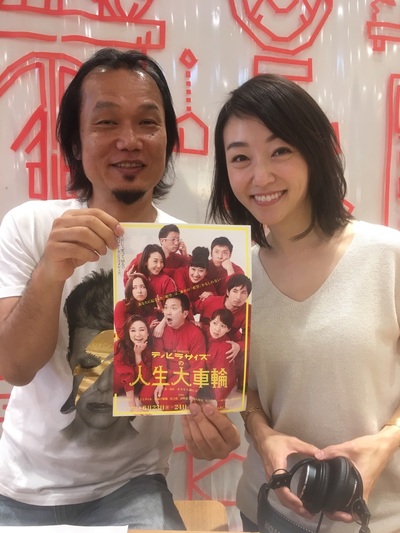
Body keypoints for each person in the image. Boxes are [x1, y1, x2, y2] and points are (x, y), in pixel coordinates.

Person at [0, 47, 240, 528]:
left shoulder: (188, 254)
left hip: (134, 487)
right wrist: (50, 270)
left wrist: (212, 426)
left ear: (168, 141)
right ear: (75, 143)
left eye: (148, 123)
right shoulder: (32, 226)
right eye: (106, 122)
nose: (129, 141)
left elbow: (198, 371)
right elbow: (14, 367)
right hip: (21, 487)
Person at [208, 73, 400, 532]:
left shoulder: (388, 256)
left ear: (315, 151)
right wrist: (263, 435)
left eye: (280, 151)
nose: (261, 176)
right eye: (240, 158)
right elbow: (246, 387)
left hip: (381, 517)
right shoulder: (234, 279)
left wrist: (386, 442)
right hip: (267, 511)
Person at [140, 293, 207, 411]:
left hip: (183, 375)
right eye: (166, 308)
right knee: (145, 398)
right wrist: (160, 381)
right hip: (165, 372)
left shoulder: (195, 334)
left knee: (166, 404)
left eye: (174, 308)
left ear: (185, 314)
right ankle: (168, 393)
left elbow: (198, 365)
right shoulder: (160, 331)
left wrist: (193, 392)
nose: (168, 312)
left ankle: (182, 396)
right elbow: (158, 357)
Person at [123, 223, 189, 283]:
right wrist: (130, 281)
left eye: (178, 239)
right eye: (173, 239)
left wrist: (185, 254)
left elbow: (190, 273)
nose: (176, 243)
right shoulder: (146, 255)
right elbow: (127, 275)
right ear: (162, 240)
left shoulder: (178, 258)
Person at [114, 314, 153, 409]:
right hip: (114, 386)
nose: (138, 334)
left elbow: (146, 379)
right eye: (133, 330)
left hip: (131, 387)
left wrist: (138, 355)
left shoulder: (149, 349)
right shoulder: (119, 346)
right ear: (128, 333)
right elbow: (126, 375)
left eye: (142, 330)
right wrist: (133, 407)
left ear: (148, 333)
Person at [114, 272, 161, 337]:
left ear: (147, 289)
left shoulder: (152, 307)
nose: (139, 291)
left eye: (142, 287)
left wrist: (160, 313)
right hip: (127, 342)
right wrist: (147, 330)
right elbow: (121, 334)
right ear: (130, 290)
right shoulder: (121, 306)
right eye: (134, 288)